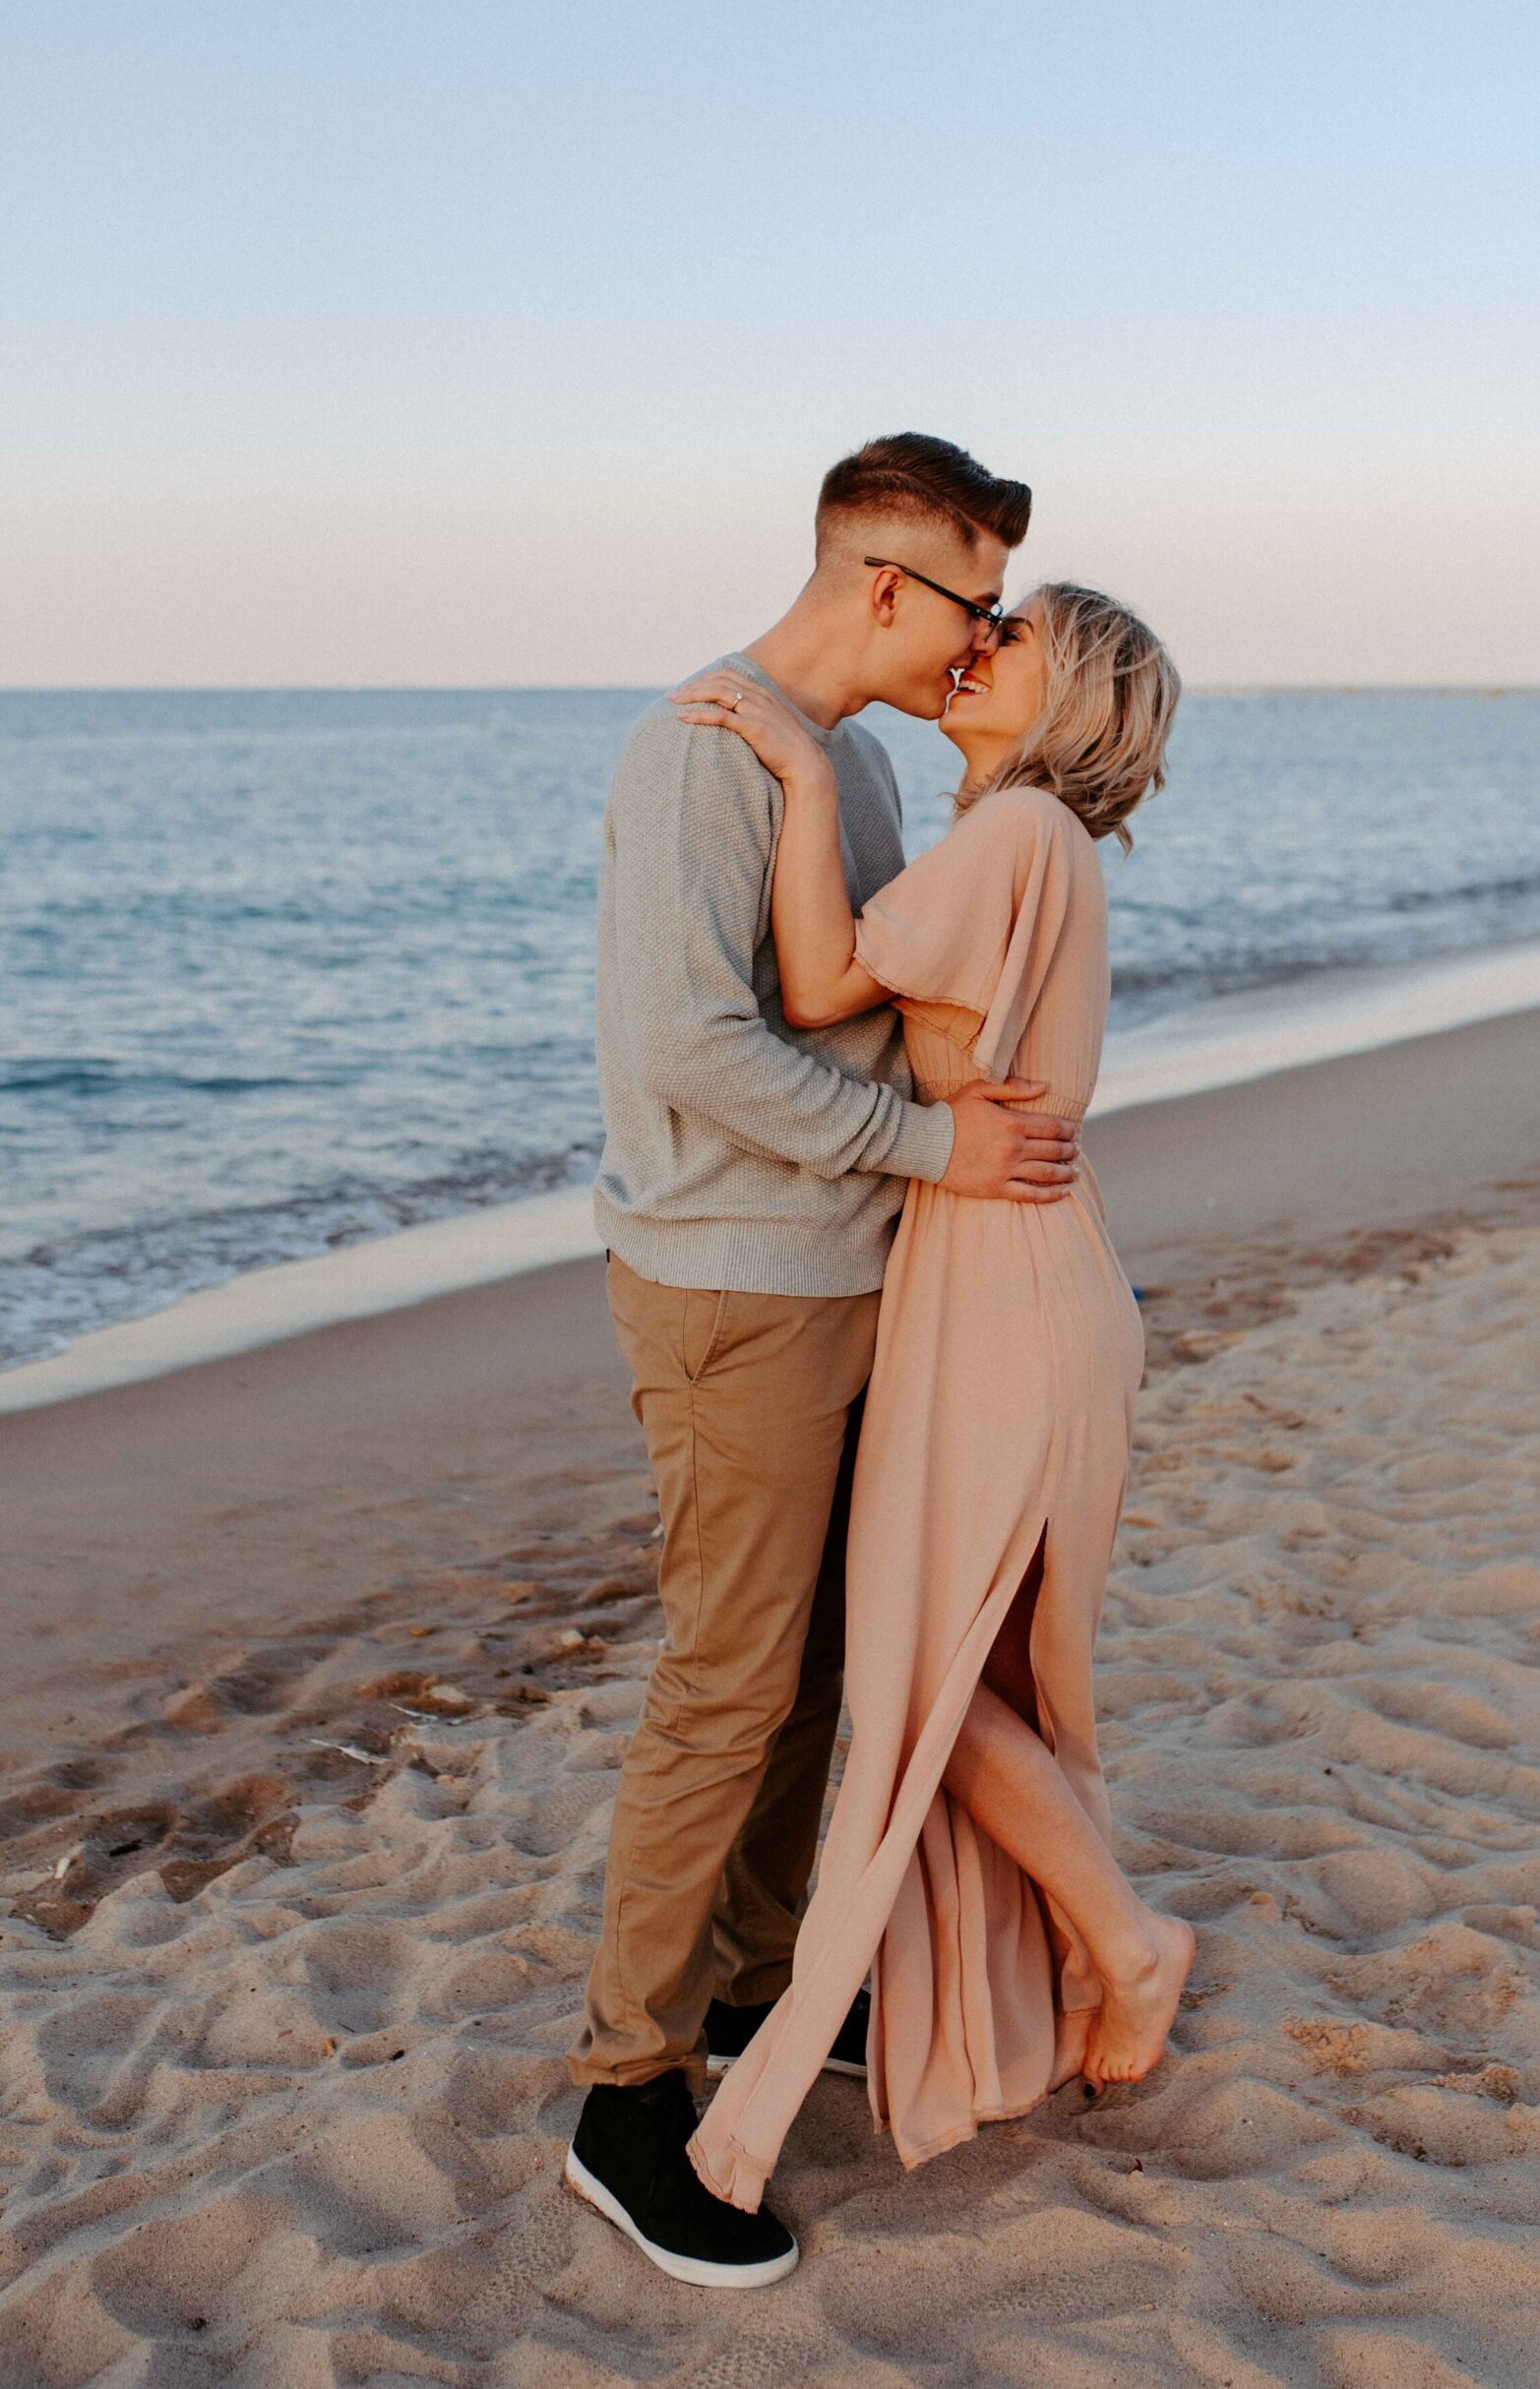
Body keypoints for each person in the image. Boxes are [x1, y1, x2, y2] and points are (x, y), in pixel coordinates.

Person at [565, 435, 1084, 2290]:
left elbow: (844, 1001)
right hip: (732, 1289)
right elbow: (703, 1051)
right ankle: (627, 2088)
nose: (985, 636)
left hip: (851, 1273)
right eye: (977, 601)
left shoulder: (846, 759)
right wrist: (940, 1150)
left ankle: (765, 1984)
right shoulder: (695, 752)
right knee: (725, 1682)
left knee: (813, 1673)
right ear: (886, 584)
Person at [670, 581, 1197, 2222]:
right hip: (1016, 1272)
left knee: (920, 1653)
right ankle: (1075, 1960)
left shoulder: (1019, 831)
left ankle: (1123, 1937)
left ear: (1066, 697)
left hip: (1005, 1287)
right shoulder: (1026, 843)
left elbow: (819, 988)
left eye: (1017, 633)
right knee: (967, 1656)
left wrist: (806, 767)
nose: (982, 644)